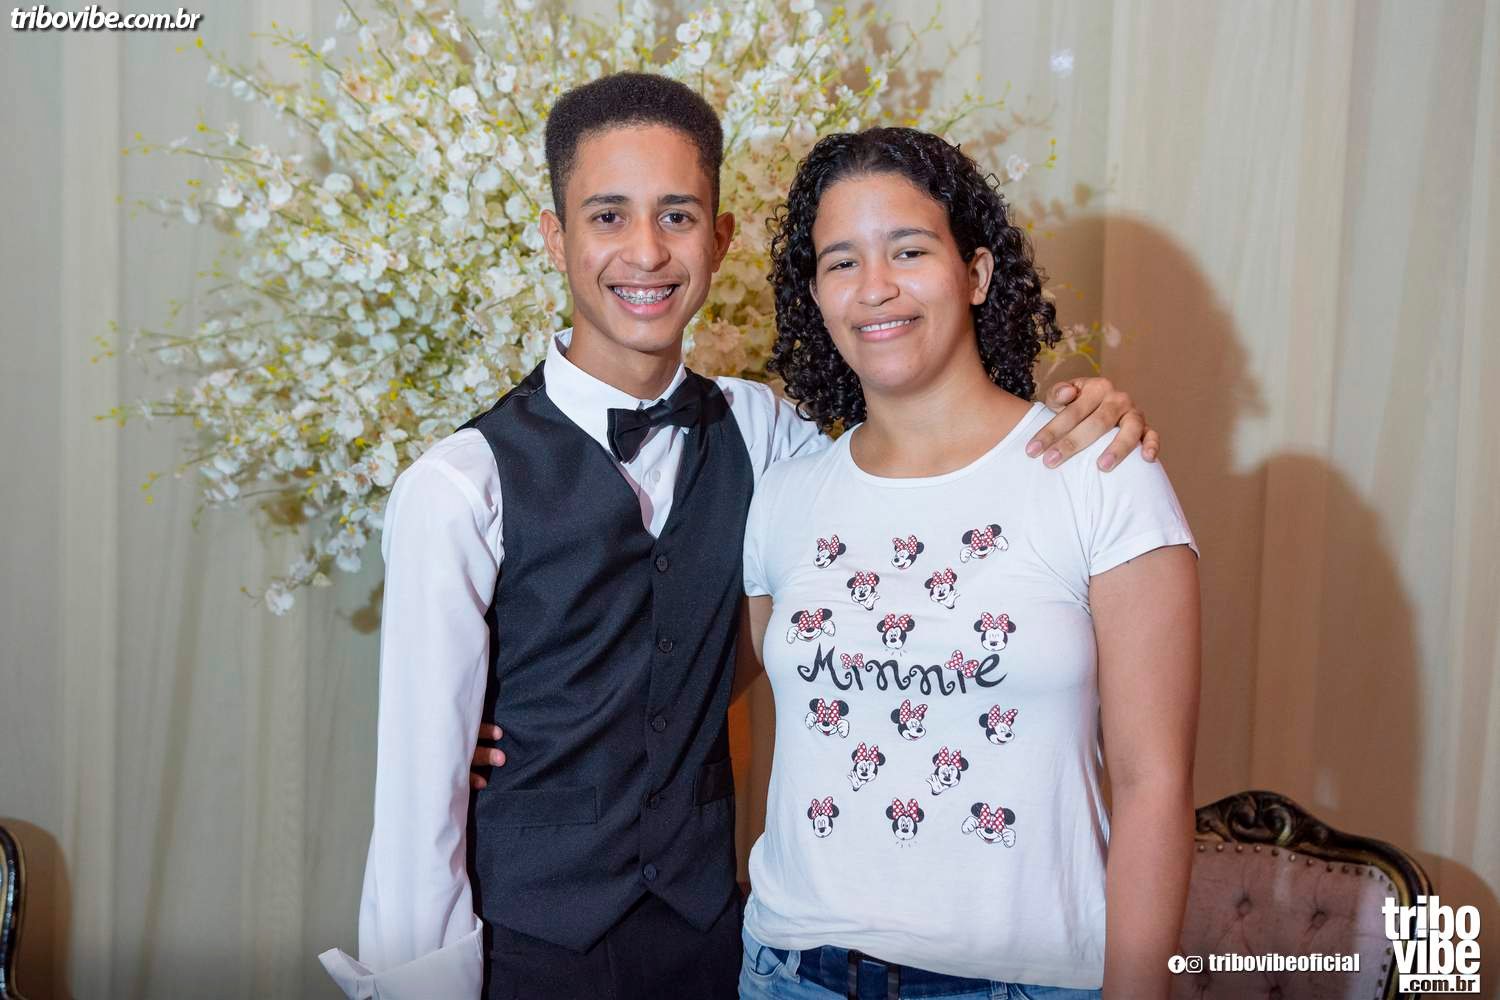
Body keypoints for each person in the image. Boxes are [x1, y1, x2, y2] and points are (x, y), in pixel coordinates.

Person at [319, 73, 1159, 1000]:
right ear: (555, 238)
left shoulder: (769, 437)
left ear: (719, 240)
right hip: (525, 951)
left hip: (716, 944)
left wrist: (1085, 412)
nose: (646, 251)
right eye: (608, 216)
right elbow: (416, 805)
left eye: (677, 216)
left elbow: (916, 465)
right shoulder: (457, 485)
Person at [730, 127, 1201, 999]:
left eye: (909, 250)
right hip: (791, 972)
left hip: (1020, 982)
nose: (875, 286)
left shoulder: (1099, 472)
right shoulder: (785, 496)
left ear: (976, 273)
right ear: (816, 295)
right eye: (841, 262)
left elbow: (1155, 785)